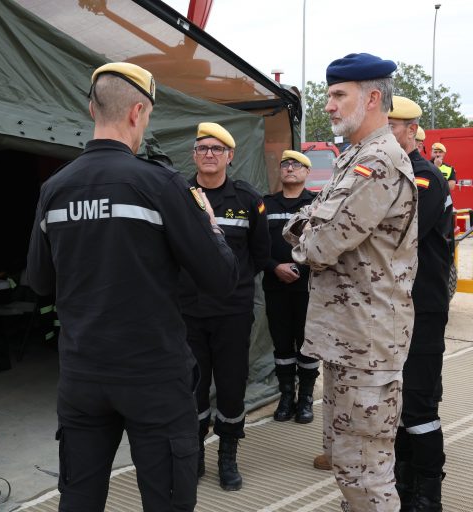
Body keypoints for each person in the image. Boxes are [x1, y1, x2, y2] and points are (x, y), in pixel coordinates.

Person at [26, 62, 238, 512]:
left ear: (91, 108)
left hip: (83, 375)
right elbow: (220, 279)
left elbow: (41, 282)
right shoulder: (160, 185)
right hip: (154, 377)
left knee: (79, 499)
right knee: (167, 501)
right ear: (138, 112)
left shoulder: (54, 190)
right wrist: (210, 226)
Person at [283, 53, 418, 512]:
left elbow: (317, 245)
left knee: (366, 473)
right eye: (329, 96)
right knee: (349, 466)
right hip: (347, 338)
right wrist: (308, 230)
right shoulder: (354, 158)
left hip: (367, 344)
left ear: (373, 97)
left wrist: (305, 235)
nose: (330, 106)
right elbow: (310, 223)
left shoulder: (377, 163)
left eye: (339, 95)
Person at [178, 122, 270, 490]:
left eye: (217, 149)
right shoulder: (179, 195)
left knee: (231, 387)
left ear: (231, 156)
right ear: (194, 155)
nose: (210, 155)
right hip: (188, 312)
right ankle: (195, 452)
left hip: (232, 311)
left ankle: (228, 455)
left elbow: (260, 255)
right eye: (203, 149)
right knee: (192, 387)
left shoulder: (248, 199)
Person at [388, 96, 455, 511]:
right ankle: (403, 482)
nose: (385, 133)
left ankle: (429, 491)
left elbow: (399, 232)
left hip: (421, 308)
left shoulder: (424, 176)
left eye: (392, 126)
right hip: (390, 308)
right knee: (395, 402)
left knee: (418, 404)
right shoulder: (385, 172)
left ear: (412, 130)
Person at [262, 150, 318, 424]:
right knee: (282, 344)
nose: (290, 168)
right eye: (285, 164)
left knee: (308, 344)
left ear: (307, 173)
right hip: (276, 286)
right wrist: (275, 267)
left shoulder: (318, 204)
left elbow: (326, 245)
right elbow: (257, 246)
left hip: (309, 288)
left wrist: (301, 269)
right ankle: (286, 396)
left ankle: (306, 398)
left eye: (297, 165)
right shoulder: (266, 204)